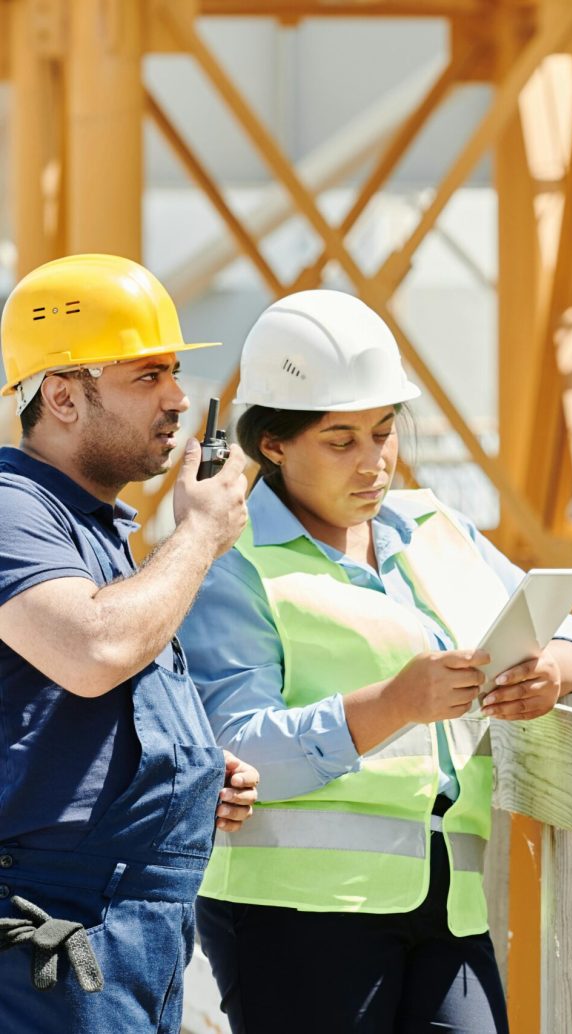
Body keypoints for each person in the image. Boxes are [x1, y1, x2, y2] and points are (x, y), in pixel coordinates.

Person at [179, 289, 572, 1033]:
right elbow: (234, 751)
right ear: (273, 445)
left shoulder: (436, 526)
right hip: (295, 919)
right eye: (341, 441)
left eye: (384, 433)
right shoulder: (231, 566)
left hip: (449, 903)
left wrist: (557, 669)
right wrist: (394, 706)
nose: (375, 463)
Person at [0, 253, 261, 1034]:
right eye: (146, 376)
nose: (179, 399)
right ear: (63, 396)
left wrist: (187, 774)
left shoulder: (95, 532)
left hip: (125, 929)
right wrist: (202, 533)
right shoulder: (13, 509)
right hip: (58, 929)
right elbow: (96, 650)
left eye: (174, 373)